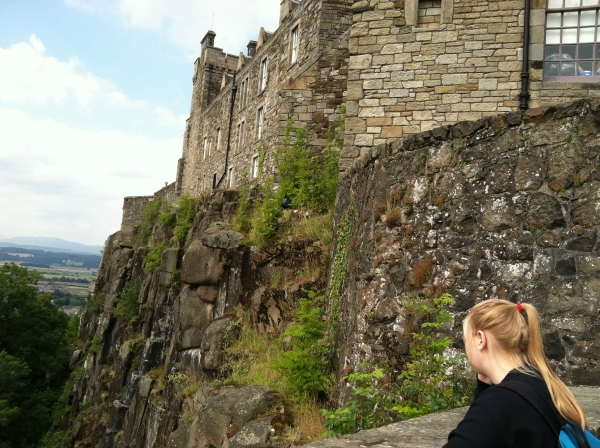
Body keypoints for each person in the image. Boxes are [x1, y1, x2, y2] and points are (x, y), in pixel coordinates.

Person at [443, 299, 588, 447]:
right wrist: (483, 386)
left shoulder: (497, 404)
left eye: (466, 340)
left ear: (481, 339)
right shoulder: (545, 384)